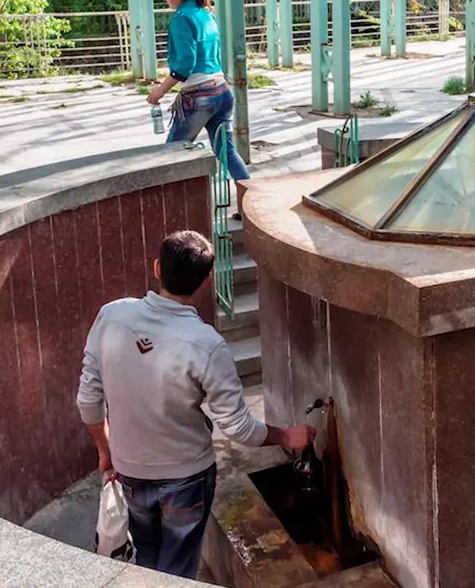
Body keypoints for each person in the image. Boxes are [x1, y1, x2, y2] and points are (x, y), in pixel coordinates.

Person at [76, 230, 316, 578]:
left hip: (129, 470)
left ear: (157, 268)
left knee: (147, 561)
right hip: (186, 477)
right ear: (205, 281)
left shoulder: (111, 316)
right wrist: (284, 437)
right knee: (177, 570)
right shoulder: (206, 344)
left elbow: (88, 400)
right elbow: (238, 428)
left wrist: (105, 449)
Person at [147, 0, 251, 185]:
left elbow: (185, 62)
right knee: (227, 152)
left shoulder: (181, 18)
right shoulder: (206, 14)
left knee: (172, 154)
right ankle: (250, 202)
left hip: (199, 95)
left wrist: (160, 91)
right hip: (222, 91)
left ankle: (175, 211)